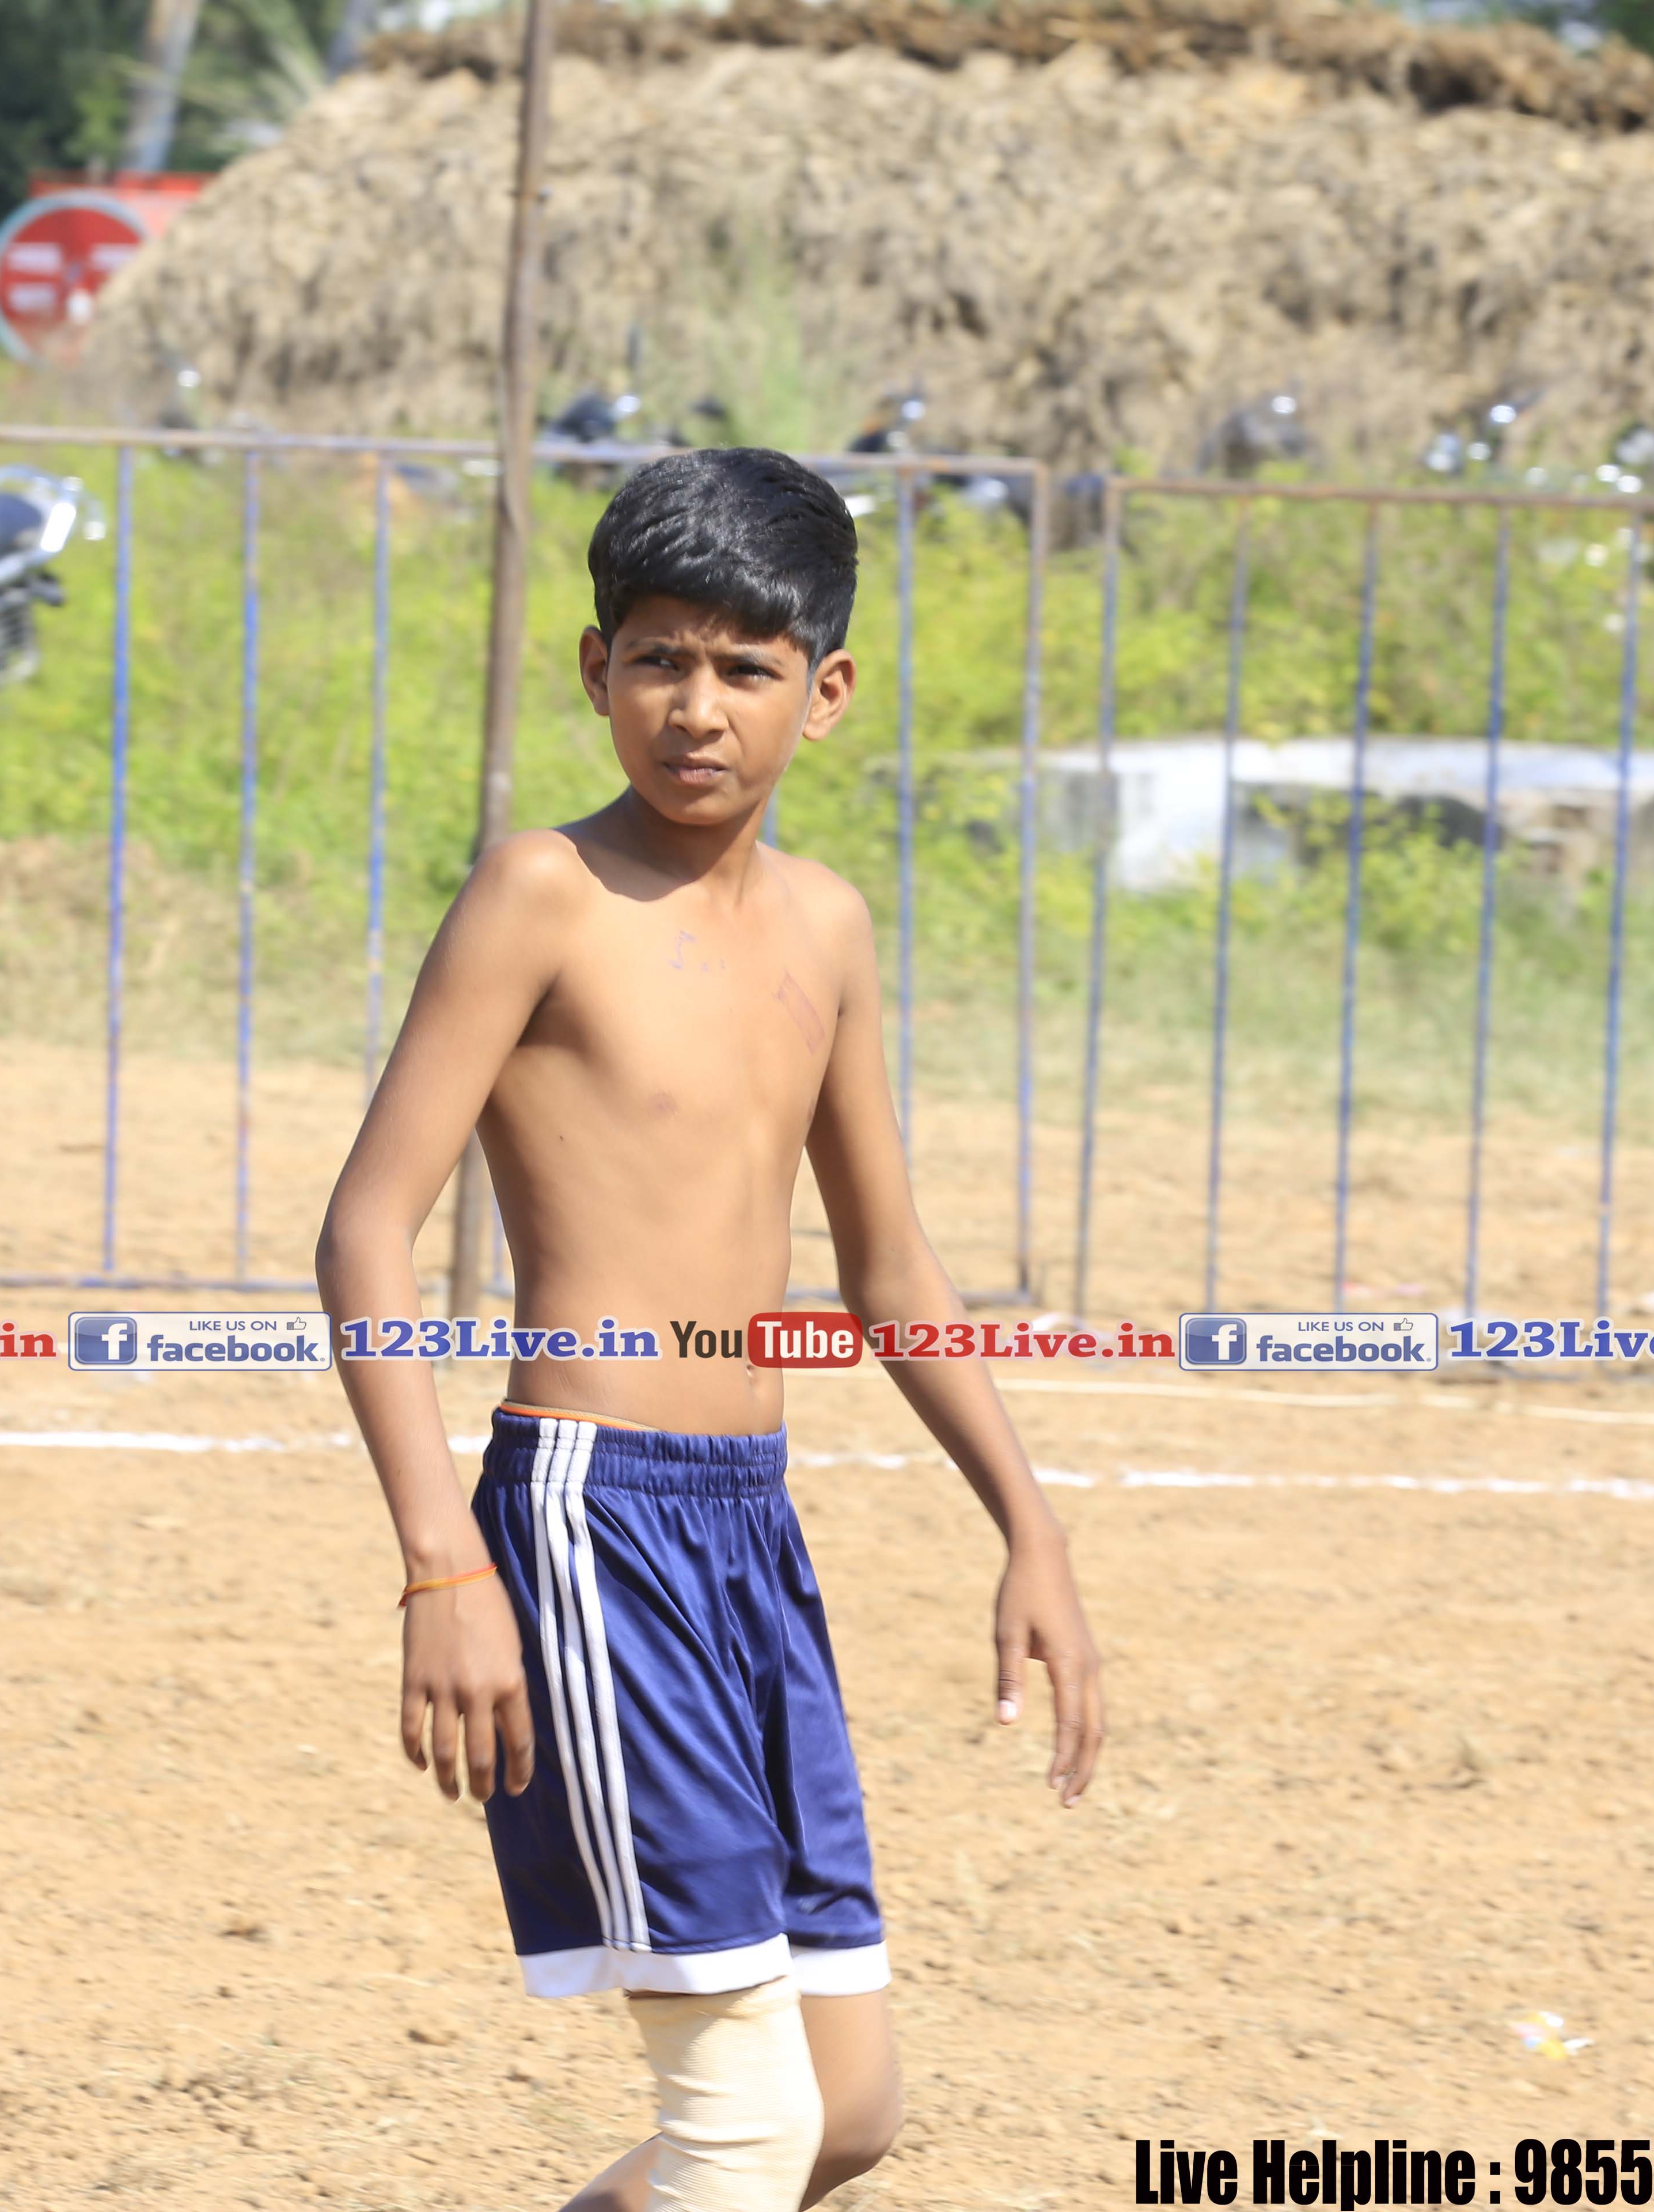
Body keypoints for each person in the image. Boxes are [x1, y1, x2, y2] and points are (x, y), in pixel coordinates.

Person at [314, 448, 1105, 2212]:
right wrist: (443, 1565)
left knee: (846, 2111)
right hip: (588, 1518)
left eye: (745, 667)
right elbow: (368, 1228)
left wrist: (1031, 1527)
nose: (696, 708)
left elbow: (889, 1271)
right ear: (596, 668)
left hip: (751, 1526)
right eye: (659, 660)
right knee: (740, 2130)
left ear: (824, 693)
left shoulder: (827, 926)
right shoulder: (543, 893)